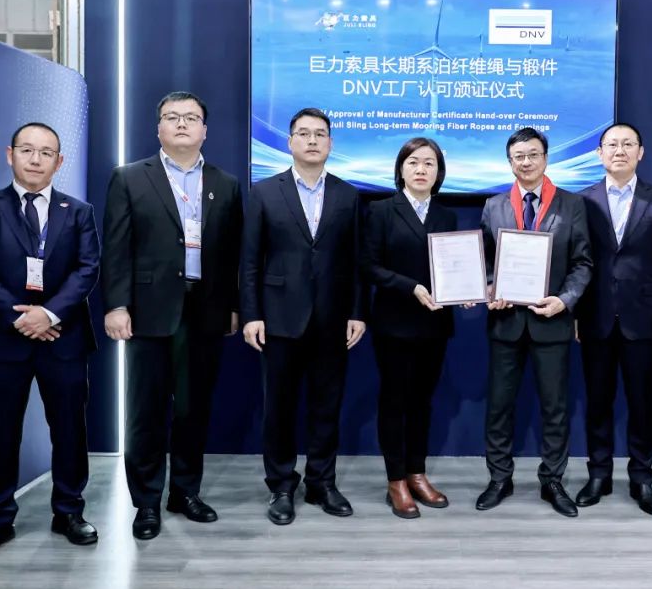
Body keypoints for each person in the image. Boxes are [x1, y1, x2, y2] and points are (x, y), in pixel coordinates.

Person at [102, 91, 243, 540]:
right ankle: (146, 502)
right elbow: (116, 247)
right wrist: (116, 304)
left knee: (193, 409)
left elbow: (232, 254)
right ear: (158, 128)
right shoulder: (129, 177)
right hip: (149, 310)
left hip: (205, 310)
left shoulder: (226, 183)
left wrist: (234, 306)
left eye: (191, 117)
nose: (182, 124)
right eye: (172, 117)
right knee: (145, 411)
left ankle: (185, 492)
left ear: (205, 130)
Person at [0, 122, 100, 562]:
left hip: (64, 337)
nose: (36, 159)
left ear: (59, 161)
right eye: (27, 150)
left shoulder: (78, 212)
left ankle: (69, 512)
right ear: (10, 155)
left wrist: (49, 314)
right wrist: (20, 317)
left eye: (46, 152)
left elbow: (87, 268)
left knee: (70, 430)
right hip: (2, 338)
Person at [241, 107, 367, 526]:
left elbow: (356, 262)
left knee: (326, 406)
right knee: (279, 408)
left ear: (331, 143)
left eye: (320, 134)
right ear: (290, 141)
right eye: (304, 133)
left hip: (333, 318)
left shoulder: (349, 195)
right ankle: (281, 486)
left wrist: (357, 312)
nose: (312, 141)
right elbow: (250, 260)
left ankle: (321, 482)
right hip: (278, 318)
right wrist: (252, 314)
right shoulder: (264, 192)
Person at [476, 127, 592, 518]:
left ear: (545, 157)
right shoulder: (494, 205)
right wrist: (490, 287)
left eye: (532, 154)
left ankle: (553, 480)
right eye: (518, 157)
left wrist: (565, 300)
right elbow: (485, 261)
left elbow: (583, 263)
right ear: (510, 162)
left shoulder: (572, 204)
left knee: (555, 408)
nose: (526, 162)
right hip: (506, 321)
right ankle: (499, 478)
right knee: (499, 407)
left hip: (551, 322)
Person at [574, 123, 652, 516]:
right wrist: (575, 312)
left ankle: (642, 478)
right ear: (599, 153)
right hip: (595, 316)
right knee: (597, 402)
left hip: (644, 317)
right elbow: (577, 262)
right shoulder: (582, 200)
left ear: (641, 152)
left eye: (627, 144)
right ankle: (598, 474)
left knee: (642, 402)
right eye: (612, 144)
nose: (619, 151)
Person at [361, 137, 457, 519]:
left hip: (435, 324)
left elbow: (455, 267)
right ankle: (396, 480)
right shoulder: (381, 211)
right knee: (395, 401)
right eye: (413, 162)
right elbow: (369, 266)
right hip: (394, 323)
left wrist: (463, 292)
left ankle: (417, 473)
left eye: (429, 163)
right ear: (401, 168)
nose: (421, 169)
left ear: (439, 172)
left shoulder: (447, 216)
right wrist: (410, 287)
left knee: (422, 402)